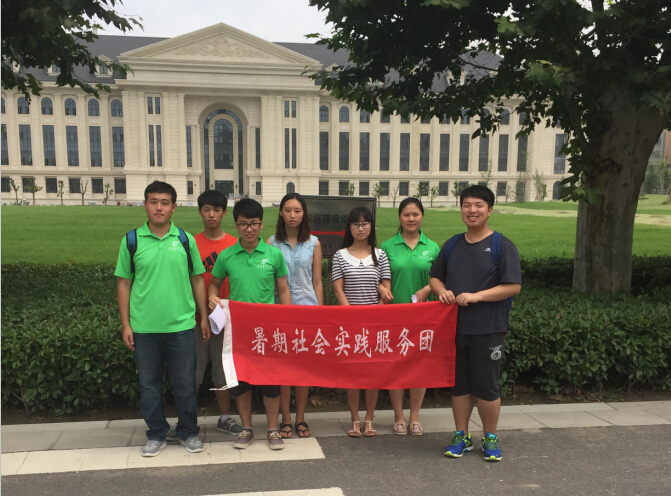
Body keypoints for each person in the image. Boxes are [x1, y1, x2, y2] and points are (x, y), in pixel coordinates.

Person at [115, 181, 209, 457]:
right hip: (144, 328)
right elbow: (124, 283)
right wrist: (126, 324)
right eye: (153, 201)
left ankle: (188, 432)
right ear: (145, 204)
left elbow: (197, 279)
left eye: (165, 202)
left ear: (174, 207)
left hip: (181, 326)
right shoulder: (131, 241)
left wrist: (203, 317)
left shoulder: (185, 240)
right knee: (149, 386)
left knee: (185, 385)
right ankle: (156, 434)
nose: (159, 207)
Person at [429, 185, 521, 462]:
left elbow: (513, 286)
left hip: (488, 327)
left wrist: (477, 296)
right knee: (459, 385)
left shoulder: (502, 246)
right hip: (454, 328)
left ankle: (490, 437)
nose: (472, 210)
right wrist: (442, 291)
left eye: (479, 205)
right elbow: (435, 277)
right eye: (467, 205)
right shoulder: (452, 245)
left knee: (487, 387)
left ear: (489, 210)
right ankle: (462, 435)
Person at [208, 198, 292, 451]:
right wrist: (212, 298)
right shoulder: (227, 255)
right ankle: (246, 428)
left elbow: (283, 290)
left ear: (261, 224)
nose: (249, 229)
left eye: (254, 223)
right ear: (236, 225)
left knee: (270, 382)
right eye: (243, 224)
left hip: (268, 329)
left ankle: (272, 429)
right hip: (238, 330)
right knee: (240, 382)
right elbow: (214, 284)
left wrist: (287, 320)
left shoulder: (274, 254)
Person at [166, 190, 241, 444]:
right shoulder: (189, 243)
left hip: (225, 319)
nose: (211, 215)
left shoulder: (234, 244)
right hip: (195, 318)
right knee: (191, 372)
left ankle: (225, 417)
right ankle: (186, 421)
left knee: (222, 370)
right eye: (206, 209)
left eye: (216, 210)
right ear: (199, 212)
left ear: (224, 213)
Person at [380, 197, 440, 436]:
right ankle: (398, 416)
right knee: (395, 365)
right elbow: (378, 277)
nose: (411, 219)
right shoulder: (387, 246)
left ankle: (414, 416)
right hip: (394, 315)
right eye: (406, 214)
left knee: (419, 366)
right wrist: (382, 289)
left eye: (415, 214)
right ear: (399, 217)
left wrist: (427, 289)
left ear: (422, 216)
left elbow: (441, 279)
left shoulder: (433, 247)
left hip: (424, 317)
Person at [332, 206, 391, 438]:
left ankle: (369, 418)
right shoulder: (340, 255)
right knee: (353, 373)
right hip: (350, 323)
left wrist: (376, 313)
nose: (360, 228)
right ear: (349, 228)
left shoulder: (380, 255)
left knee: (372, 373)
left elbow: (386, 290)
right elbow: (338, 290)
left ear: (371, 227)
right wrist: (352, 318)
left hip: (375, 323)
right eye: (356, 224)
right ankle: (355, 418)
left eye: (365, 224)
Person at [267, 193, 323, 439]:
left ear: (304, 214)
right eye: (288, 210)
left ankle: (300, 417)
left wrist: (320, 313)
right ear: (280, 212)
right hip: (280, 312)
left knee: (302, 368)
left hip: (306, 311)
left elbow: (317, 281)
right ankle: (286, 419)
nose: (292, 215)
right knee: (283, 367)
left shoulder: (313, 243)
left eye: (297, 211)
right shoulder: (271, 243)